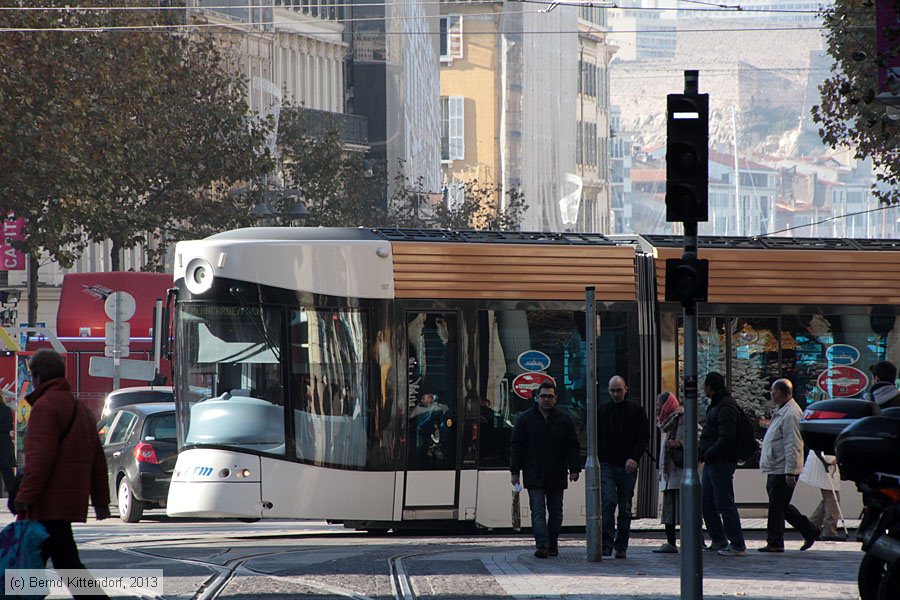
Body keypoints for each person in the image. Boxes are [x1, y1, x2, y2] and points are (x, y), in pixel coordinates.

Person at [13, 349, 110, 597]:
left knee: (33, 564)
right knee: (63, 561)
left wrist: (25, 498)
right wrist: (101, 502)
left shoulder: (45, 408)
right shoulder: (79, 408)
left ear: (36, 376)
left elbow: (39, 460)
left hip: (47, 502)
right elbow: (98, 459)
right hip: (65, 501)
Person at [510, 381, 581, 559]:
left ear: (556, 398)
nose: (546, 399)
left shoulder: (564, 419)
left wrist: (574, 469)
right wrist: (514, 472)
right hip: (533, 472)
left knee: (556, 512)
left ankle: (552, 542)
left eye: (550, 396)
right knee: (538, 511)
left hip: (556, 473)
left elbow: (572, 446)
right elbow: (516, 446)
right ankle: (542, 545)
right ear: (537, 398)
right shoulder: (525, 419)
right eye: (543, 396)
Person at [758, 378, 819, 552]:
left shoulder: (791, 413)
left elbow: (793, 444)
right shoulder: (782, 411)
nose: (771, 394)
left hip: (783, 467)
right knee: (780, 505)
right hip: (777, 466)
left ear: (780, 392)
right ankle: (810, 530)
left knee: (777, 507)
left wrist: (791, 471)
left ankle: (775, 542)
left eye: (772, 391)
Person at [597, 375, 649, 559]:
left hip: (627, 465)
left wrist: (634, 458)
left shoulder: (636, 411)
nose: (616, 394)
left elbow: (643, 437)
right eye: (612, 390)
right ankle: (607, 543)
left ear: (625, 389)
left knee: (625, 507)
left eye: (618, 390)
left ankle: (621, 546)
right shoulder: (602, 410)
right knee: (609, 501)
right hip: (608, 464)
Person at [699, 372, 747, 556]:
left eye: (705, 386)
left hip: (720, 461)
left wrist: (709, 452)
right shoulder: (719, 404)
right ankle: (719, 540)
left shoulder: (725, 406)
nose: (704, 389)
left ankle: (737, 544)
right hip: (713, 460)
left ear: (710, 387)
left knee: (724, 503)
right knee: (708, 502)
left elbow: (726, 436)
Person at [652, 392, 684, 554]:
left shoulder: (682, 418)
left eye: (660, 407)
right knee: (669, 511)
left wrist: (678, 443)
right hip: (669, 474)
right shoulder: (667, 423)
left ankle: (695, 541)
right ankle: (671, 542)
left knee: (685, 510)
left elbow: (696, 436)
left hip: (679, 473)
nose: (658, 411)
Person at [799, 449, 846, 541]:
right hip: (826, 466)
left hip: (823, 465)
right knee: (833, 499)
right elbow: (829, 454)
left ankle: (811, 526)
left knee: (828, 500)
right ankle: (829, 532)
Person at [409, 393, 449, 468]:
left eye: (424, 399)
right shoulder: (418, 408)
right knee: (419, 454)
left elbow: (432, 421)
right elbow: (411, 417)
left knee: (423, 454)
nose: (421, 400)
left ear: (430, 399)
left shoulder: (436, 409)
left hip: (426, 435)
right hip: (419, 435)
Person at [0, 398, 15, 497]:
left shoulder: (6, 409)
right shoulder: (6, 409)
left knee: (7, 474)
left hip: (4, 444)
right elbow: (9, 426)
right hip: (4, 445)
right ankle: (15, 497)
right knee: (8, 474)